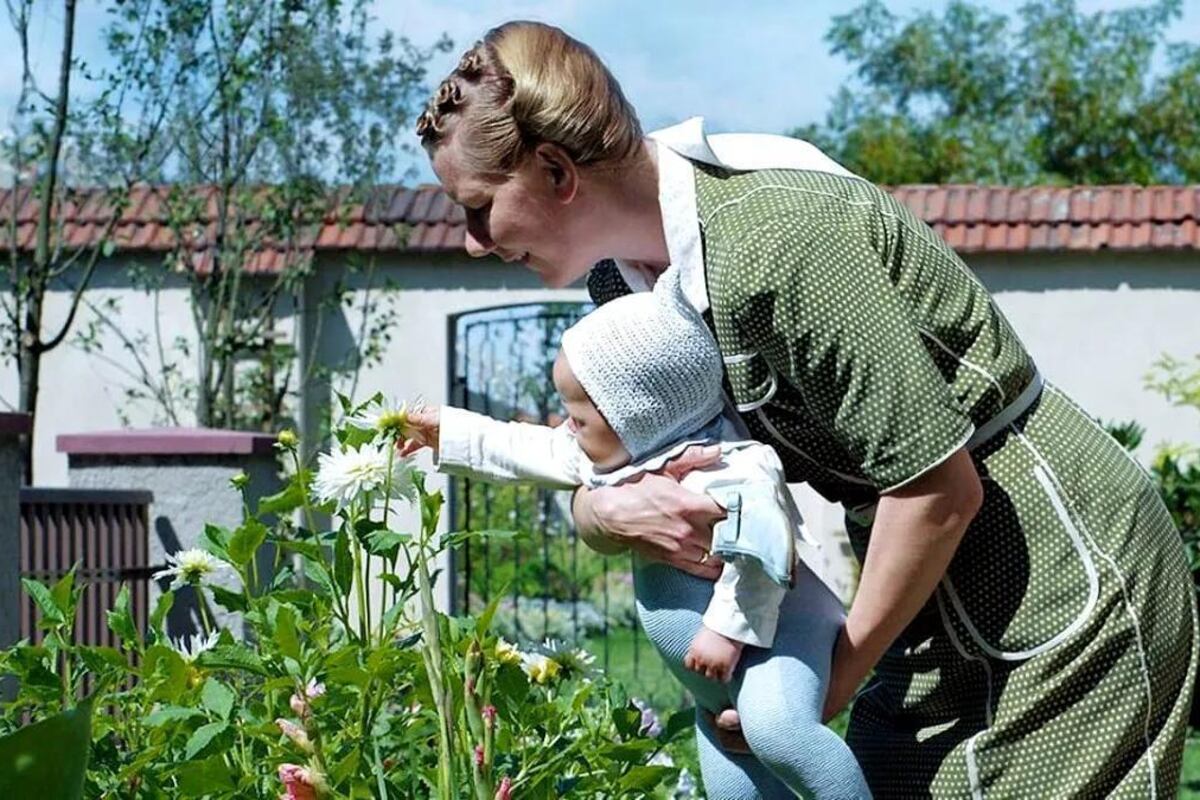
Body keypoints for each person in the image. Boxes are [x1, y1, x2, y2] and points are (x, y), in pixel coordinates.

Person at [415, 19, 1199, 798]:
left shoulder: (779, 240)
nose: (474, 241)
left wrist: (817, 691)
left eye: (479, 207)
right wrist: (604, 515)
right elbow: (609, 464)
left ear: (555, 170)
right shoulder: (621, 291)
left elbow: (938, 491)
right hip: (921, 587)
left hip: (1053, 566)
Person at [403, 267, 871, 798]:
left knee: (780, 731)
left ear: (637, 414)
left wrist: (725, 630)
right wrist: (448, 432)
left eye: (578, 417)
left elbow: (763, 548)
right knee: (733, 788)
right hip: (716, 682)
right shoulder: (620, 456)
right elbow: (524, 447)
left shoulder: (730, 465)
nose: (566, 426)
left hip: (773, 640)